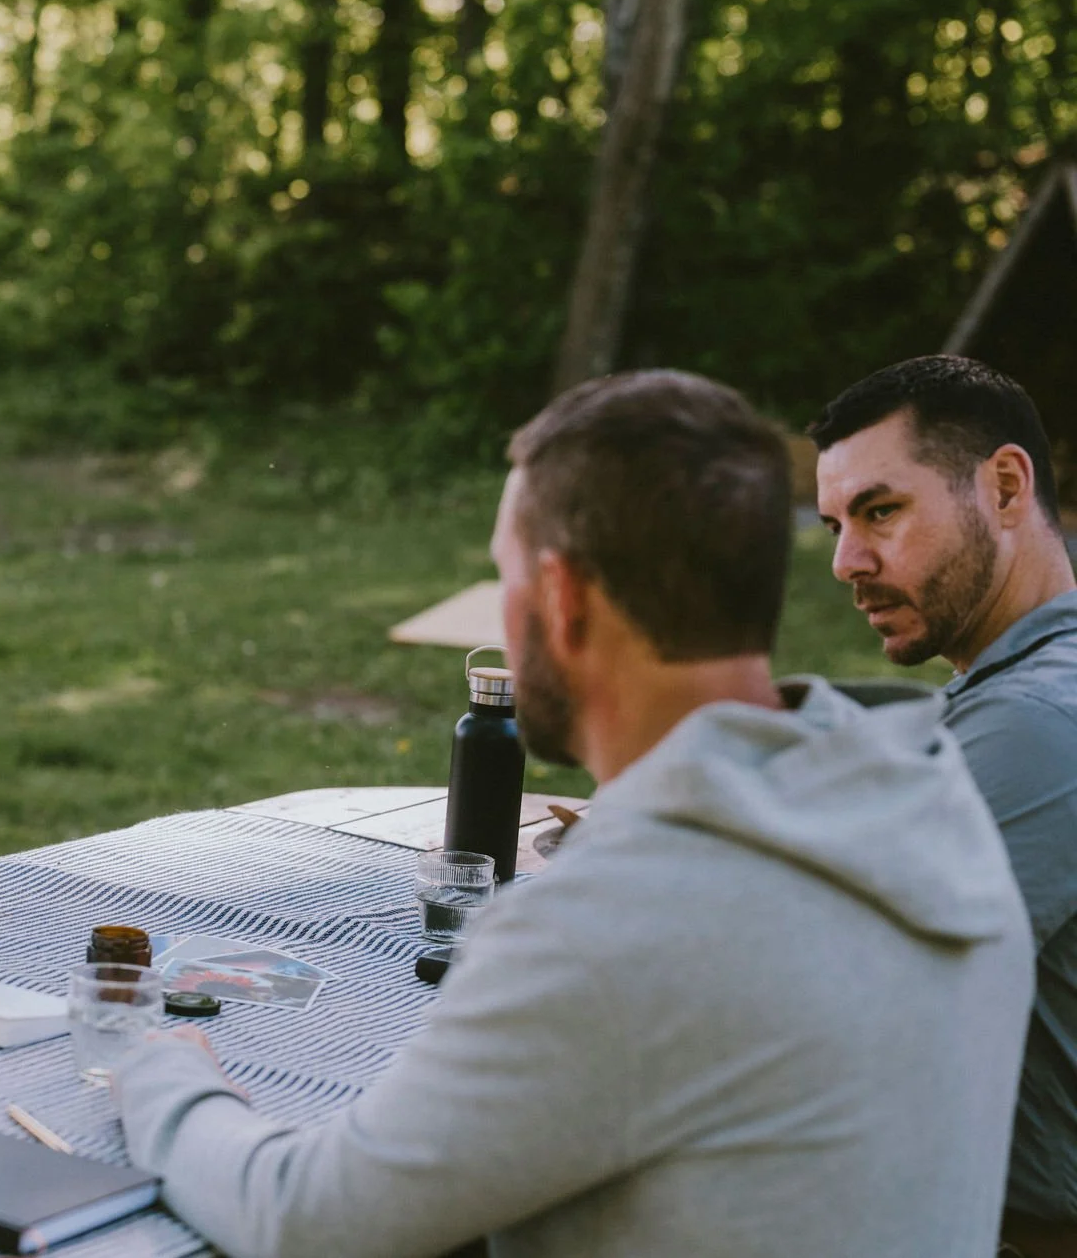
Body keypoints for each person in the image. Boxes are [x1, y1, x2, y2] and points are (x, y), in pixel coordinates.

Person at [114, 370, 1032, 1257]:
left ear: (559, 597)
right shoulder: (923, 791)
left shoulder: (624, 919)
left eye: (504, 579)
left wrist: (167, 1074)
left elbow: (306, 1222)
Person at [811, 355, 1077, 1253]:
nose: (848, 561)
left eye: (881, 510)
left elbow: (830, 1004)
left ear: (1004, 486)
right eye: (837, 524)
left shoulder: (1036, 720)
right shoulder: (1029, 680)